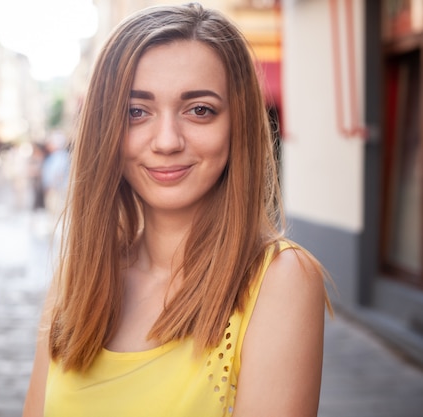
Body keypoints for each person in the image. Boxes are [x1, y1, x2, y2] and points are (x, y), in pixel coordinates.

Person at [23, 3, 332, 416]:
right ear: (105, 127)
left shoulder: (279, 282)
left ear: (236, 124)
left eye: (199, 110)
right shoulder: (77, 277)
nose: (167, 141)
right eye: (136, 112)